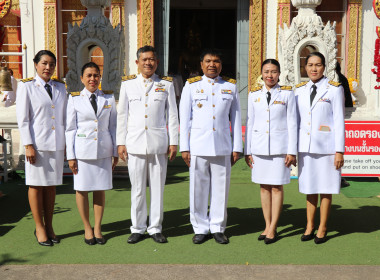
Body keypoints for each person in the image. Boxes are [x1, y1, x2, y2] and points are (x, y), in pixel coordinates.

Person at [180, 49, 242, 245]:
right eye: (208, 61)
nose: (212, 65)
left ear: (221, 65)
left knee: (220, 189)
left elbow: (237, 117)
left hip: (222, 145)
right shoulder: (191, 86)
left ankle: (217, 227)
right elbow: (185, 120)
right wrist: (184, 147)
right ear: (201, 64)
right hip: (198, 145)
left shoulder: (230, 87)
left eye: (216, 61)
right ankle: (200, 227)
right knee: (198, 188)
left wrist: (236, 147)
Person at [117, 45, 178, 244]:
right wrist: (120, 142)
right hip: (134, 144)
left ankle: (155, 227)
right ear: (137, 63)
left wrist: (174, 142)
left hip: (158, 143)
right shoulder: (128, 85)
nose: (148, 63)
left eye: (152, 59)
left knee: (158, 188)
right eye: (144, 59)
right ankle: (137, 227)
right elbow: (122, 116)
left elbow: (173, 116)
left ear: (157, 62)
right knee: (137, 189)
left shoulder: (166, 84)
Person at [16, 50, 67, 246]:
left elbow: (63, 117)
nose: (48, 67)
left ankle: (50, 225)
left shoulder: (60, 87)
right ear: (36, 64)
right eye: (44, 63)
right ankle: (39, 227)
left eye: (52, 64)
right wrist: (28, 144)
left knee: (51, 187)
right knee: (36, 185)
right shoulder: (27, 86)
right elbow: (24, 119)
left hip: (55, 144)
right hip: (36, 145)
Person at [244, 59, 297, 244]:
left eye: (274, 72)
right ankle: (266, 225)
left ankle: (273, 227)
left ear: (279, 74)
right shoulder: (253, 95)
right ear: (262, 74)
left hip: (280, 149)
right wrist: (247, 150)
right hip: (259, 148)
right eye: (266, 72)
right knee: (264, 187)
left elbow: (292, 122)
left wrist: (292, 151)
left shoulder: (287, 94)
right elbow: (250, 123)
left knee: (276, 187)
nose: (270, 75)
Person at [295, 52, 345, 244]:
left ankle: (322, 227)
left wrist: (339, 150)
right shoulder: (299, 90)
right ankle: (309, 225)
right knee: (309, 188)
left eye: (318, 65)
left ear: (324, 67)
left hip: (327, 148)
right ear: (305, 67)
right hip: (306, 147)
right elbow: (296, 121)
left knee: (326, 189)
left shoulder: (334, 89)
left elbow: (339, 121)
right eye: (310, 65)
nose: (314, 69)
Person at [66, 62, 118, 245]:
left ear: (100, 77)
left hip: (103, 150)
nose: (92, 79)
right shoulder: (74, 99)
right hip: (82, 151)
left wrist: (115, 151)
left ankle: (98, 227)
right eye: (89, 75)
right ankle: (87, 227)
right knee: (81, 189)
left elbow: (113, 127)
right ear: (82, 78)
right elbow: (70, 129)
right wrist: (70, 156)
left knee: (99, 188)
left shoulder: (108, 99)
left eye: (96, 75)